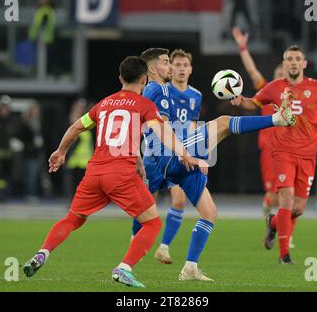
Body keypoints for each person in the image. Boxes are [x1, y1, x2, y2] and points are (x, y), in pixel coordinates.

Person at [22, 56, 205, 288]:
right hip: (121, 175)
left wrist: (60, 151)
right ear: (145, 80)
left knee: (72, 219)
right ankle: (124, 268)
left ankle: (42, 253)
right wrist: (182, 152)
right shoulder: (145, 105)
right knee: (152, 224)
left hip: (95, 174)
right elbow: (163, 132)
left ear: (120, 78)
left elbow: (76, 127)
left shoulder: (104, 104)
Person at [134, 48, 296, 281]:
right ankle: (276, 119)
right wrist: (184, 152)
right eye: (166, 62)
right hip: (169, 156)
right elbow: (159, 128)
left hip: (177, 155)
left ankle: (190, 268)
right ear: (151, 68)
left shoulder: (169, 92)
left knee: (209, 213)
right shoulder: (155, 89)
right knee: (224, 123)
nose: (171, 66)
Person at [234, 45, 317, 264]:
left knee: (298, 208)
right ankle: (284, 255)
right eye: (289, 59)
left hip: (308, 155)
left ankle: (273, 223)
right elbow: (253, 103)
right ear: (284, 63)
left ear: (304, 63)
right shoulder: (274, 88)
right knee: (286, 199)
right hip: (283, 153)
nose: (293, 62)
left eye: (297, 59)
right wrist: (240, 100)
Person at [152, 49, 203, 264]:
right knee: (147, 199)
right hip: (158, 151)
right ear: (170, 69)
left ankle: (163, 247)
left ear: (190, 70)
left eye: (185, 65)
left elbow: (192, 125)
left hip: (180, 154)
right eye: (178, 65)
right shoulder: (162, 91)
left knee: (180, 199)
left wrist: (192, 151)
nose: (181, 69)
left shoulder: (196, 96)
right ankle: (136, 237)